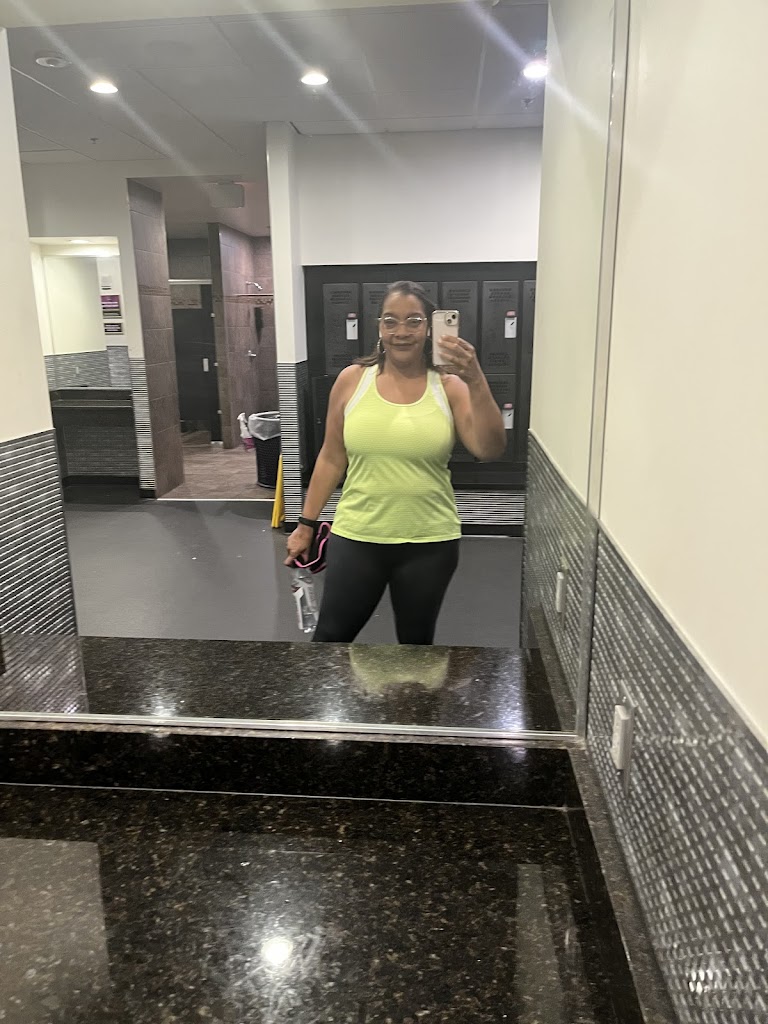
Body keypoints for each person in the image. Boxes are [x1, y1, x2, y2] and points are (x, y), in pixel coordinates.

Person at [285, 280, 506, 644]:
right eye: (391, 321)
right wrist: (305, 525)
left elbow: (489, 449)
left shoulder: (450, 386)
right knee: (330, 642)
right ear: (379, 327)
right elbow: (331, 456)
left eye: (413, 321)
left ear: (429, 327)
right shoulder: (352, 381)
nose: (401, 331)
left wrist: (476, 379)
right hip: (357, 536)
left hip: (429, 543)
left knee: (416, 650)